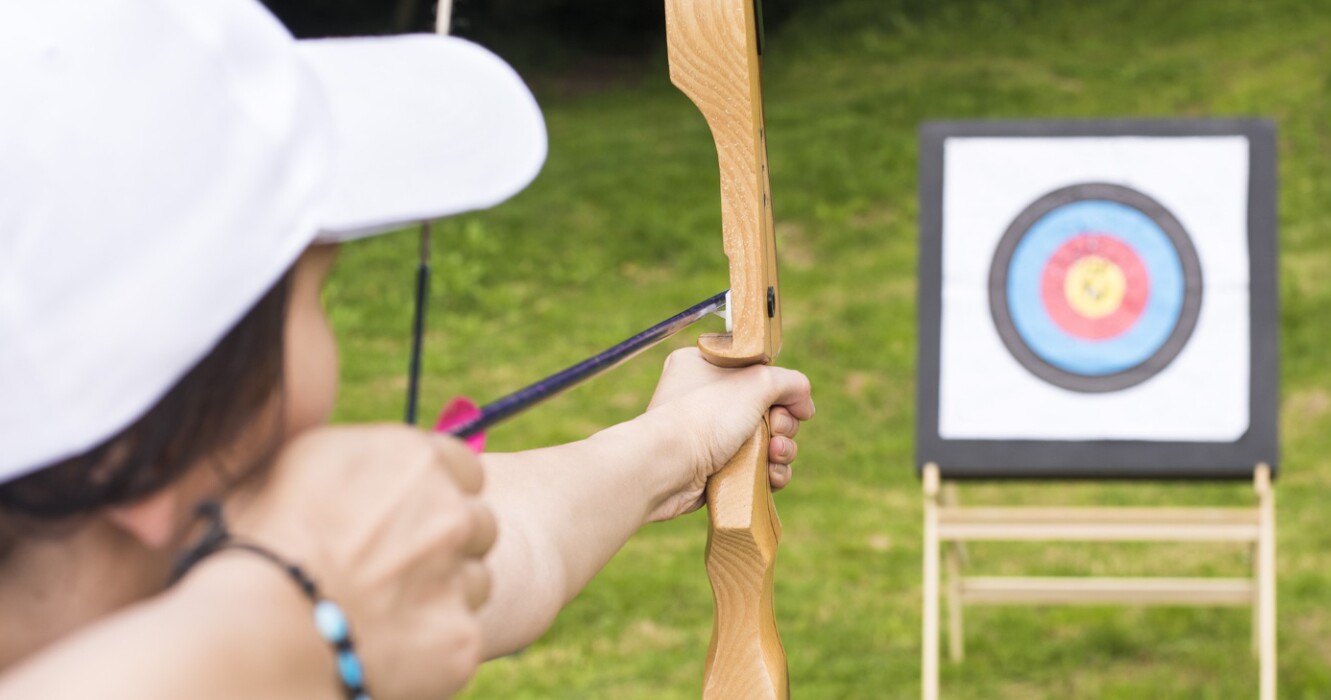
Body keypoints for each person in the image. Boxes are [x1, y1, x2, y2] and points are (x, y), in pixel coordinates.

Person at [0, 1, 815, 699]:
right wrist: (303, 621)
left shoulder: (195, 575)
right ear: (159, 441)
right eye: (316, 292)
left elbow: (483, 549)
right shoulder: (259, 624)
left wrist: (674, 444)